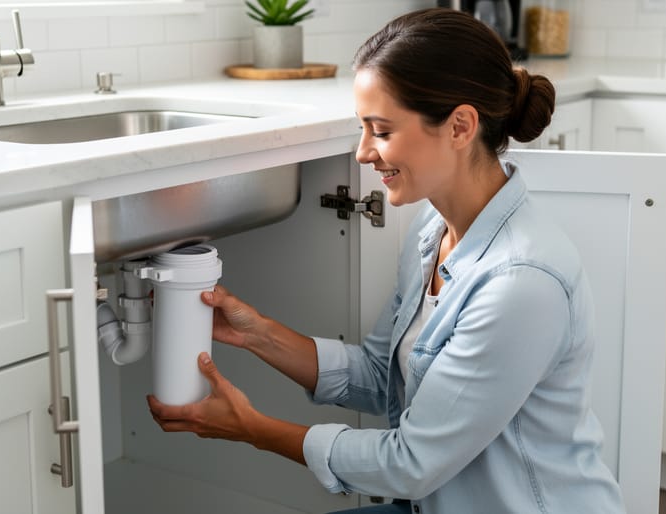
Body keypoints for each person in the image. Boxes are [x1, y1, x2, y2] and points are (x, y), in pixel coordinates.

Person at [147, 7, 625, 513]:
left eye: (381, 130)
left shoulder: (520, 284)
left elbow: (410, 464)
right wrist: (255, 332)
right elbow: (381, 376)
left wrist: (251, 429)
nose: (362, 153)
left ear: (460, 126)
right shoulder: (432, 231)